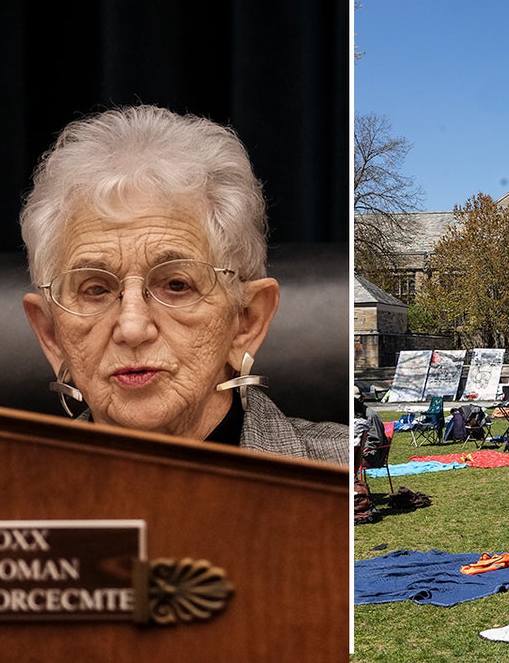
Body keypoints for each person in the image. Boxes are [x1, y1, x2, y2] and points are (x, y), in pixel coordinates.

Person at [19, 106, 347, 463]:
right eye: (95, 290)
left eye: (176, 284)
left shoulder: (343, 478)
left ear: (246, 321)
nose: (132, 328)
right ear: (51, 334)